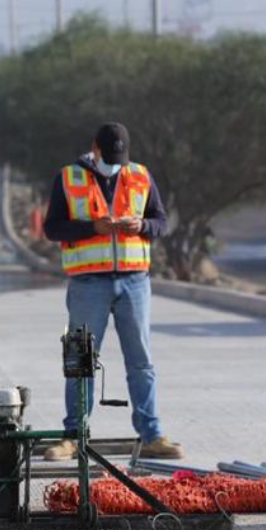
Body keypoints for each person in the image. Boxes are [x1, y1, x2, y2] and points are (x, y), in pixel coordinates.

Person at [41, 123, 182, 462]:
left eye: (122, 157)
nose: (116, 163)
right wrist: (93, 228)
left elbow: (161, 220)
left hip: (135, 281)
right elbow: (52, 228)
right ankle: (73, 437)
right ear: (96, 148)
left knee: (141, 363)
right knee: (81, 362)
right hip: (88, 283)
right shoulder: (69, 178)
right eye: (110, 156)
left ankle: (152, 435)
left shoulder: (140, 175)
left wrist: (143, 226)